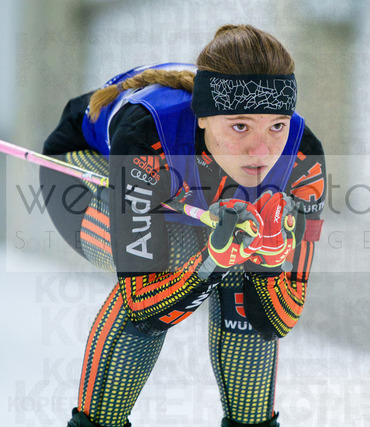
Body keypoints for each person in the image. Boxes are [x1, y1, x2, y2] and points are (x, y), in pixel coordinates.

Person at [39, 24, 326, 427]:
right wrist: (212, 260)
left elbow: (279, 319)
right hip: (79, 170)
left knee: (245, 255)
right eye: (240, 126)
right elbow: (144, 306)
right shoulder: (147, 133)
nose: (261, 151)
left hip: (182, 189)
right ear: (204, 117)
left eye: (276, 125)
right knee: (180, 256)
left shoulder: (303, 156)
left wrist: (269, 257)